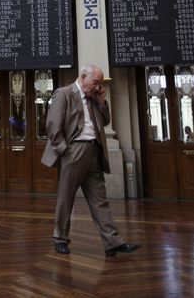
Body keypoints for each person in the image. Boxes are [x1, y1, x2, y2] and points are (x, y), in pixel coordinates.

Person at [41, 64, 141, 257]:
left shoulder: (95, 97)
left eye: (100, 84)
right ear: (83, 76)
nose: (98, 87)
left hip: (95, 150)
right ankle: (60, 239)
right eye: (96, 82)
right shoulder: (64, 93)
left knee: (99, 200)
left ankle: (113, 242)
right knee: (66, 198)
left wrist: (102, 101)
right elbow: (53, 126)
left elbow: (105, 121)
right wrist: (65, 152)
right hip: (74, 150)